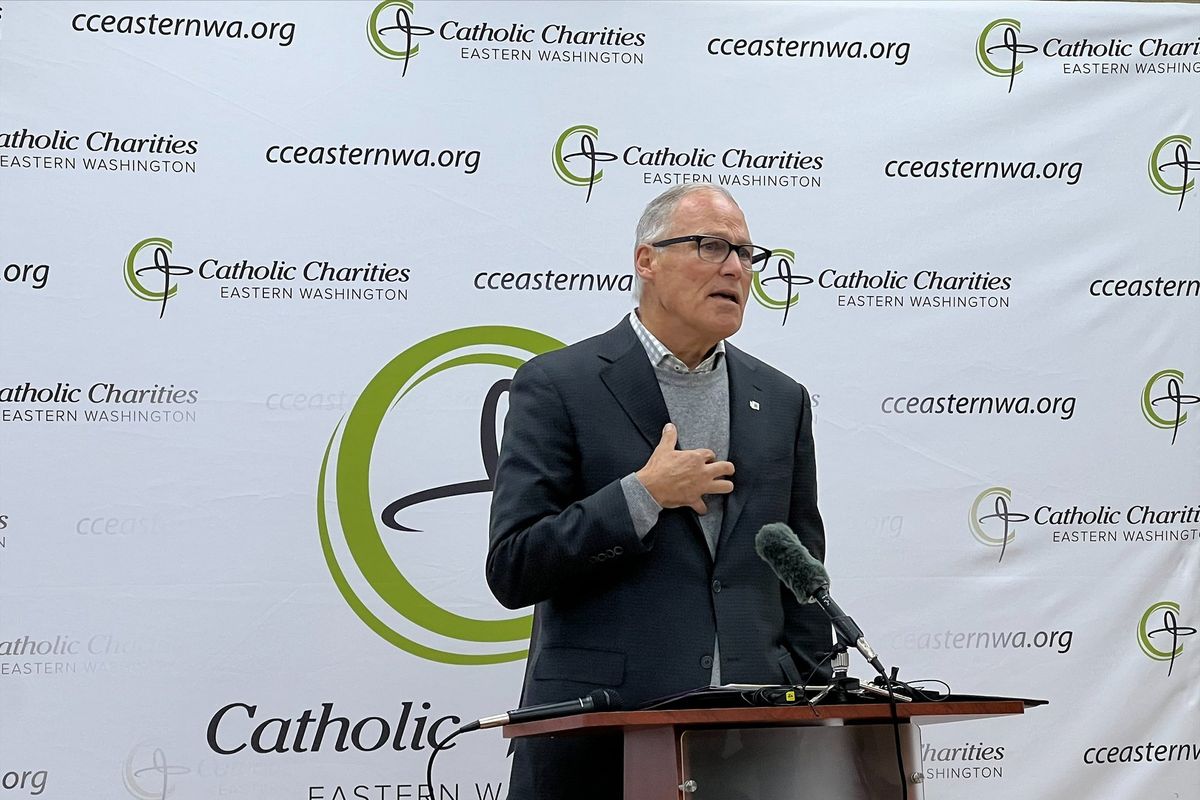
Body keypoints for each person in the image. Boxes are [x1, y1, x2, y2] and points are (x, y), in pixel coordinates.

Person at [486, 183, 827, 800]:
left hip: (755, 746)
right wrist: (640, 495)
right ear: (646, 259)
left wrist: (809, 695)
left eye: (748, 255)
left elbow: (802, 571)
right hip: (604, 737)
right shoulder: (559, 385)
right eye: (711, 246)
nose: (736, 268)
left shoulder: (781, 399)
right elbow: (514, 567)